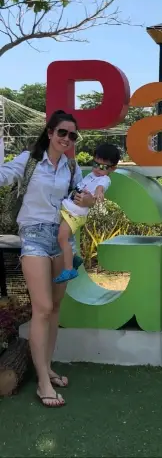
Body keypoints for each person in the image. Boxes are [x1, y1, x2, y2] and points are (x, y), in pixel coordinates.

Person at [0, 110, 95, 408]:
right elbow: (3, 176)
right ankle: (42, 382)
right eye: (62, 133)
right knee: (41, 308)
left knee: (54, 310)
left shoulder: (71, 166)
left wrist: (90, 201)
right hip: (34, 236)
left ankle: (47, 367)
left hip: (63, 238)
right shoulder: (29, 161)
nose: (67, 139)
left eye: (72, 135)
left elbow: (85, 200)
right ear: (50, 132)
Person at [55, 143, 120, 284]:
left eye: (103, 167)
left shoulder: (104, 179)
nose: (97, 169)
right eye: (95, 164)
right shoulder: (92, 175)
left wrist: (98, 192)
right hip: (68, 208)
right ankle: (74, 258)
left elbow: (101, 187)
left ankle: (69, 269)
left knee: (62, 238)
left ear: (112, 168)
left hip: (74, 215)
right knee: (58, 234)